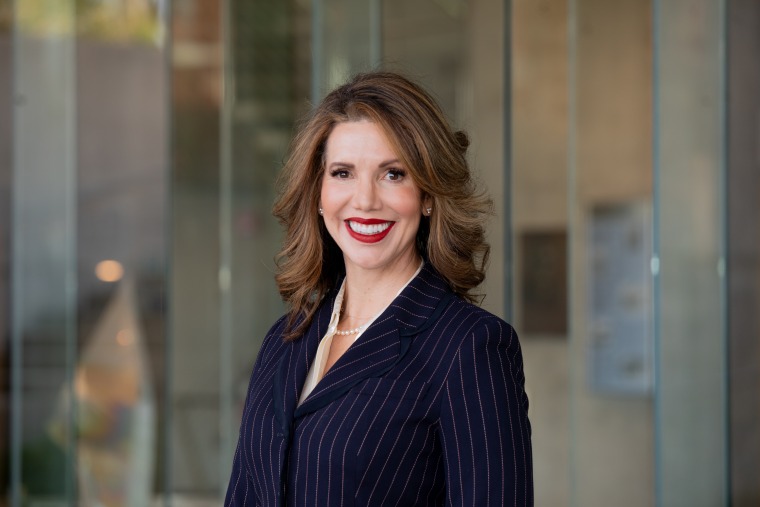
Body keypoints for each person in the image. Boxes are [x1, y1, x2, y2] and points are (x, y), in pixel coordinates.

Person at [224, 71, 533, 506]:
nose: (365, 200)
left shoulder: (470, 347)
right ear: (318, 192)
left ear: (427, 194)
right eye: (343, 172)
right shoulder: (286, 338)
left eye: (393, 174)